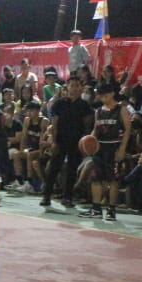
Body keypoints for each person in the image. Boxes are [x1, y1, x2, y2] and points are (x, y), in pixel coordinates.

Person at [39, 74, 93, 209]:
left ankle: (67, 197)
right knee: (53, 168)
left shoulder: (85, 105)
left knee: (72, 170)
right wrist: (54, 142)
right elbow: (54, 124)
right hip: (60, 140)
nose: (74, 88)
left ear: (81, 88)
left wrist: (84, 144)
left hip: (76, 142)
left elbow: (87, 126)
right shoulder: (59, 103)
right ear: (67, 87)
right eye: (72, 85)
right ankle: (46, 196)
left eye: (77, 86)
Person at [79, 82, 130, 221]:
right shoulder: (98, 111)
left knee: (113, 180)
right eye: (100, 96)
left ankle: (111, 210)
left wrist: (122, 149)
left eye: (105, 95)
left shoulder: (121, 109)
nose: (102, 98)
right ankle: (96, 209)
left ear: (112, 93)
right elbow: (95, 130)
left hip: (114, 147)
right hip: (100, 148)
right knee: (95, 178)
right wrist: (88, 141)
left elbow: (127, 131)